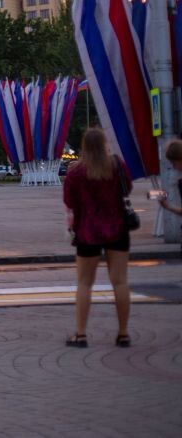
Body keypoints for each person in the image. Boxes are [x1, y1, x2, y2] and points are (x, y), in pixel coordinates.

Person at [62, 127, 132, 348]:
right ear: (104, 144)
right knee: (120, 281)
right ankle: (123, 334)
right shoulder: (117, 166)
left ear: (83, 146)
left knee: (84, 283)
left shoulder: (76, 172)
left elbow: (70, 202)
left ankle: (81, 334)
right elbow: (127, 189)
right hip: (118, 230)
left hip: (87, 232)